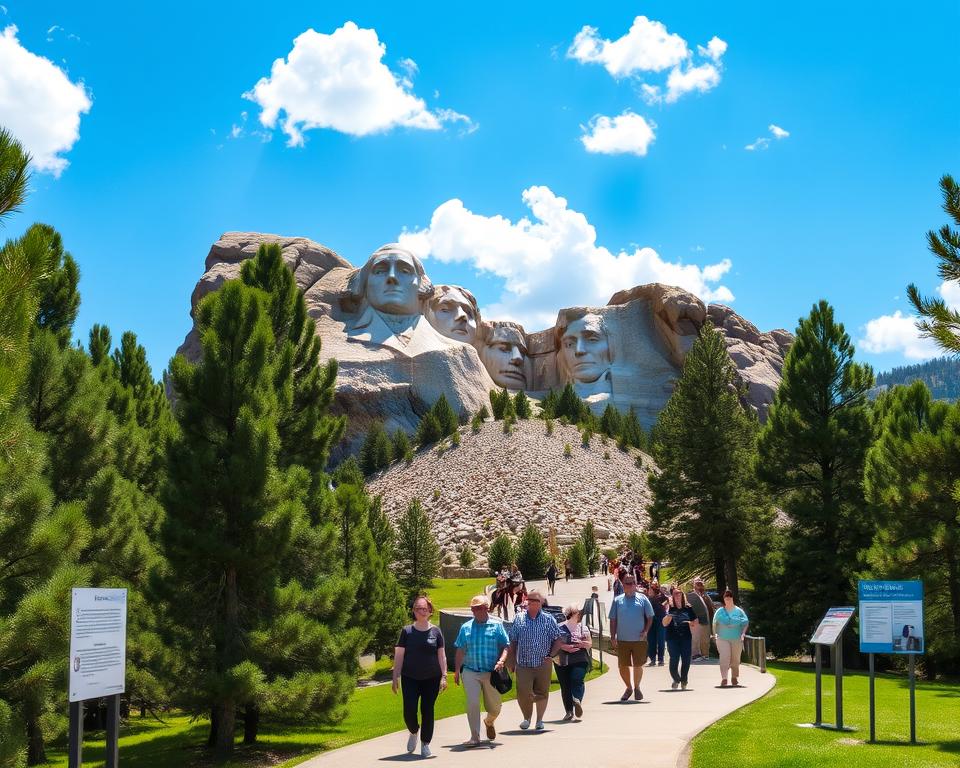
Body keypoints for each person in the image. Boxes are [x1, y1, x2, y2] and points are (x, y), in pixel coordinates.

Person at [392, 596, 447, 758]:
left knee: (427, 710)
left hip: (432, 678)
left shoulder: (436, 631)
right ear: (413, 611)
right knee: (409, 710)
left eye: (424, 609)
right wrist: (395, 676)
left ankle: (425, 744)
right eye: (418, 609)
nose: (421, 612)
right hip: (410, 677)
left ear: (430, 611)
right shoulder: (406, 631)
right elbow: (399, 655)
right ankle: (414, 731)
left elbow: (442, 656)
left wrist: (444, 676)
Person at [454, 595, 510, 746]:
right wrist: (457, 670)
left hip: (491, 672)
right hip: (470, 671)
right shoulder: (465, 627)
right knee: (472, 702)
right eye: (473, 608)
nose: (476, 611)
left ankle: (489, 721)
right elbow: (460, 649)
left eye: (479, 608)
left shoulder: (496, 625)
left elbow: (506, 645)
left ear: (486, 608)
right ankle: (475, 736)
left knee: (495, 707)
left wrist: (501, 661)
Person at [507, 589, 562, 730]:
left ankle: (539, 720)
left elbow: (558, 639)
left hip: (543, 663)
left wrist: (551, 655)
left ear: (540, 603)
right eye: (528, 599)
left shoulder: (548, 619)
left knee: (542, 692)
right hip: (524, 664)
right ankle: (527, 717)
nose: (529, 602)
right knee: (523, 693)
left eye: (533, 600)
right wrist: (511, 660)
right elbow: (513, 640)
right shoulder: (519, 618)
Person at [607, 574, 653, 701]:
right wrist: (612, 636)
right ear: (623, 585)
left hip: (639, 639)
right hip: (622, 639)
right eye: (628, 583)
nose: (631, 585)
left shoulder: (642, 599)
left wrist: (646, 630)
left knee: (638, 665)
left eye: (633, 582)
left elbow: (650, 617)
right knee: (623, 665)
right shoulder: (618, 600)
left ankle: (637, 688)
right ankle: (629, 687)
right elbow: (613, 619)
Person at [554, 603, 592, 721]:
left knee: (577, 679)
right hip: (562, 659)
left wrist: (585, 644)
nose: (579, 614)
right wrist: (564, 646)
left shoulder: (583, 627)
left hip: (579, 657)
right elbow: (554, 643)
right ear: (571, 614)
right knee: (565, 686)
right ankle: (569, 712)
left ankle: (577, 701)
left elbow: (589, 643)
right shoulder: (559, 627)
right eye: (577, 612)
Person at [662, 588, 698, 690]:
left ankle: (684, 680)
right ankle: (676, 679)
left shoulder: (688, 607)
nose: (678, 596)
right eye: (675, 594)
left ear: (682, 595)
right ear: (672, 596)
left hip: (686, 637)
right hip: (672, 637)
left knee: (686, 659)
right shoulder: (669, 607)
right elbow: (664, 623)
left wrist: (691, 623)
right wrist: (669, 614)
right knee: (674, 659)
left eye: (679, 594)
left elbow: (695, 620)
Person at [712, 589, 749, 687]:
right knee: (724, 657)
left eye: (729, 596)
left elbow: (745, 622)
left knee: (735, 659)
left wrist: (743, 634)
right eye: (726, 597)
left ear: (732, 598)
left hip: (736, 638)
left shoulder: (739, 611)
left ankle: (734, 677)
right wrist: (715, 634)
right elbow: (714, 624)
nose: (728, 598)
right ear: (723, 599)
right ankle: (724, 678)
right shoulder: (720, 611)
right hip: (722, 638)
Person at [687, 578, 715, 660]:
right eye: (697, 583)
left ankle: (705, 654)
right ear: (694, 584)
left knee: (705, 638)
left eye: (700, 583)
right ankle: (695, 655)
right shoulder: (691, 595)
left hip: (706, 620)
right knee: (695, 638)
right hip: (696, 620)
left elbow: (712, 606)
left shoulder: (706, 595)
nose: (699, 585)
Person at [646, 581, 667, 667]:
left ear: (654, 591)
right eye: (648, 590)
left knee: (661, 641)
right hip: (651, 622)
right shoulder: (647, 599)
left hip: (660, 621)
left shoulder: (661, 597)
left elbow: (666, 602)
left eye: (650, 590)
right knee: (651, 641)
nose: (648, 592)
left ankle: (661, 659)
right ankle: (652, 659)